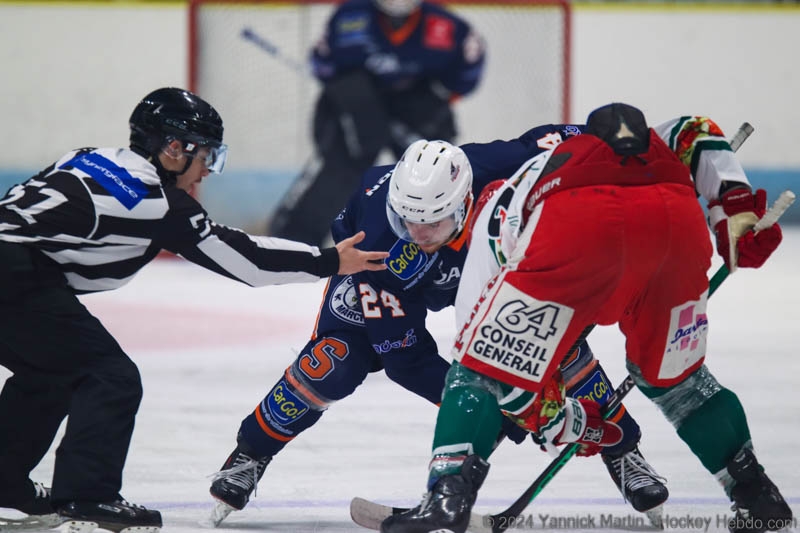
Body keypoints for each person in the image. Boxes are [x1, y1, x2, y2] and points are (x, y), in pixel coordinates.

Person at [207, 126, 669, 528]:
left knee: (555, 344)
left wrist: (633, 146)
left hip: (489, 263)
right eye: (407, 220)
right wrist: (498, 410)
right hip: (385, 281)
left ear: (464, 200)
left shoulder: (497, 166)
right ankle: (250, 453)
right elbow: (407, 361)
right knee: (335, 361)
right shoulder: (379, 245)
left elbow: (576, 140)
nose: (418, 234)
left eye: (432, 222)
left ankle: (624, 451)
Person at [380, 104, 792, 533]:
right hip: (674, 229)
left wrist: (567, 423)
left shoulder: (494, 224)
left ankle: (447, 496)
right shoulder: (552, 161)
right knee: (679, 382)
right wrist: (734, 211)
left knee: (477, 370)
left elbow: (502, 379)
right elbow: (696, 131)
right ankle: (756, 495)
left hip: (577, 229)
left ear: (468, 205)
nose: (419, 235)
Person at [0, 87, 389, 533]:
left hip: (17, 272)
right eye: (205, 156)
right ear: (173, 148)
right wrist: (329, 261)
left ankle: (6, 482)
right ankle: (88, 498)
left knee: (50, 372)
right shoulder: (154, 200)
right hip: (15, 275)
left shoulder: (85, 156)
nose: (205, 172)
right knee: (109, 377)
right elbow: (246, 259)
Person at [267, 0, 486, 245]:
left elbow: (467, 71)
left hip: (414, 111)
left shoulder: (445, 26)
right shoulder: (349, 17)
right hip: (358, 110)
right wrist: (356, 98)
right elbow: (324, 67)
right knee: (340, 169)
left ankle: (447, 241)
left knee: (432, 171)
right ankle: (295, 243)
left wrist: (432, 100)